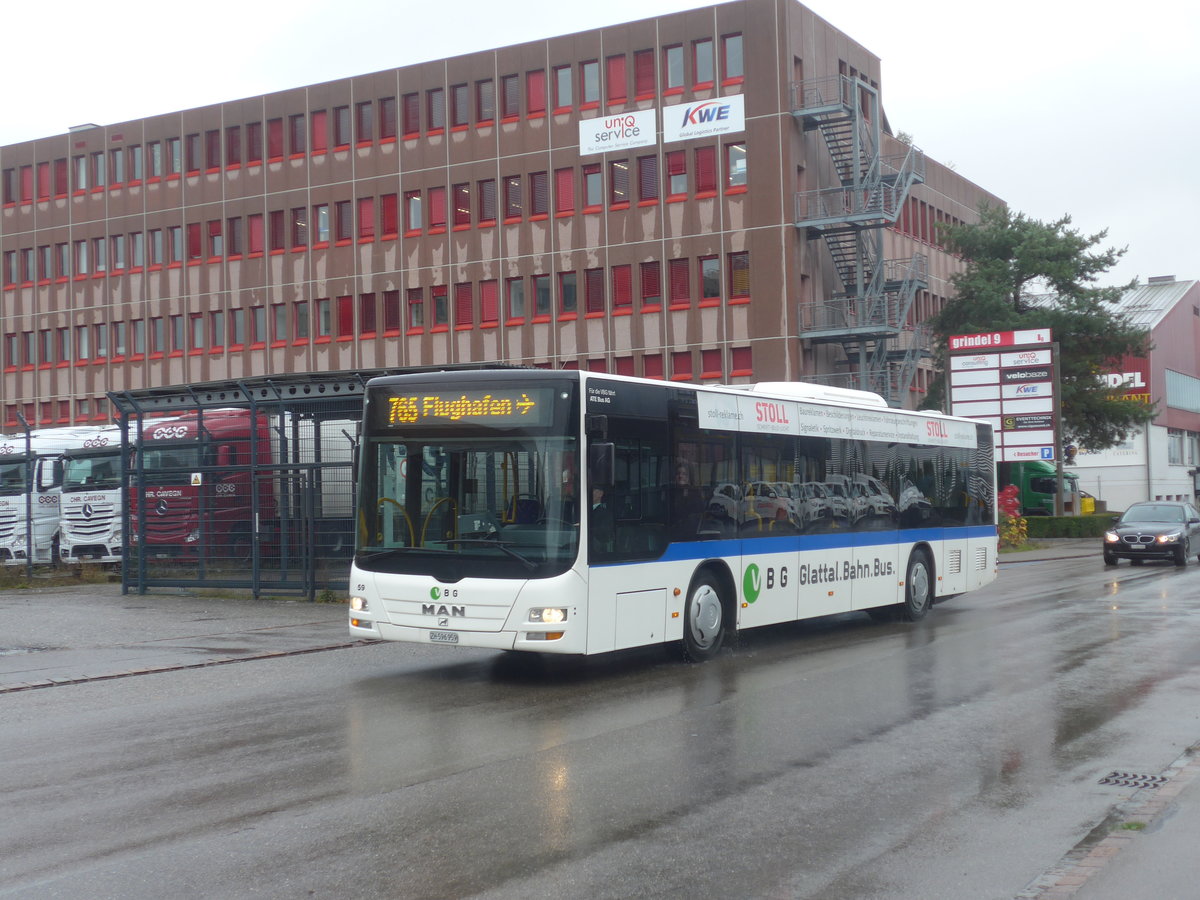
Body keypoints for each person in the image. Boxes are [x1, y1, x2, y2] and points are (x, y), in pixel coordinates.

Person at [589, 486, 615, 553]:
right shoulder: (587, 511)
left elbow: (604, 531)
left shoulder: (605, 513)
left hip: (597, 548)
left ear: (601, 494)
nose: (591, 494)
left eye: (594, 491)